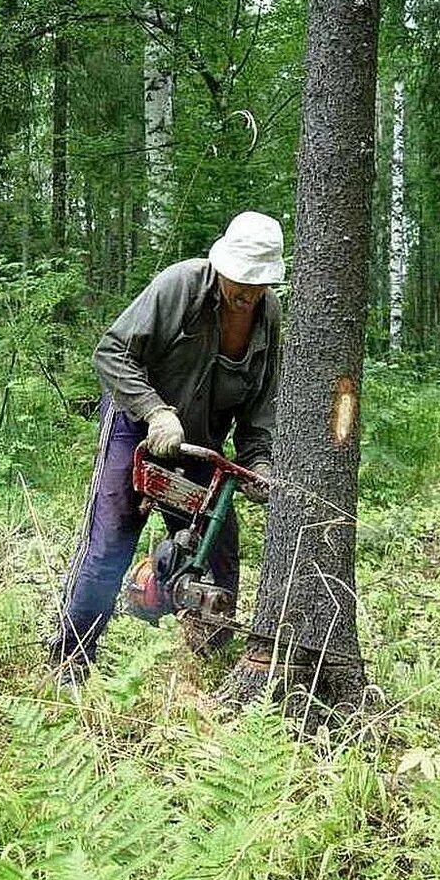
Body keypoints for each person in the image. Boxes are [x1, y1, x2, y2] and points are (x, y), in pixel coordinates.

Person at [50, 210, 285, 675]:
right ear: (221, 265)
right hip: (137, 427)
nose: (243, 293)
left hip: (200, 446)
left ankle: (206, 665)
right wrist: (155, 410)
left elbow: (261, 403)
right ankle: (71, 658)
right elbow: (112, 353)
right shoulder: (179, 286)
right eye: (237, 280)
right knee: (110, 542)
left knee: (219, 551)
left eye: (254, 285)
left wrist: (259, 461)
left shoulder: (269, 317)